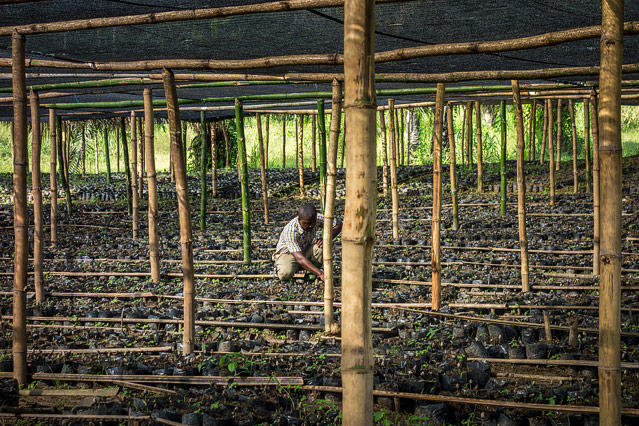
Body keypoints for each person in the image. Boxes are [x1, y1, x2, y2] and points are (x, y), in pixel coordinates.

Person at [273, 203, 342, 282]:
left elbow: (338, 224)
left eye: (313, 223)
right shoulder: (291, 230)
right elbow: (299, 258)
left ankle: (310, 273)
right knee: (285, 274)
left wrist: (326, 239)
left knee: (320, 247)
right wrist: (320, 273)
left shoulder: (316, 218)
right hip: (288, 254)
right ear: (299, 220)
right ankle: (282, 267)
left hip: (304, 251)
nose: (311, 226)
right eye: (306, 223)